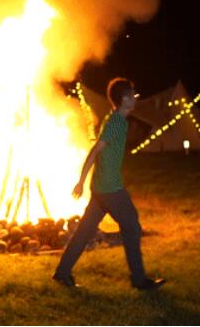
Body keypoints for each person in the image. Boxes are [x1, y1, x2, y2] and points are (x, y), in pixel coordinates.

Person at [53, 78, 166, 290]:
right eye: (132, 95)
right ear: (124, 100)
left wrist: (86, 182)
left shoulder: (114, 119)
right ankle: (139, 280)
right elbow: (96, 150)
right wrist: (80, 180)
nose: (135, 98)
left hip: (100, 189)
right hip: (110, 189)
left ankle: (62, 272)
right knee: (132, 226)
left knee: (85, 231)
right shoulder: (116, 123)